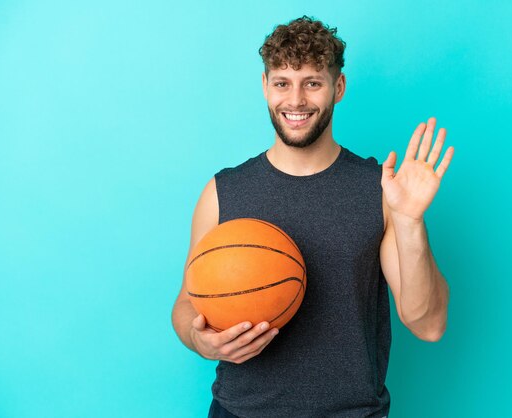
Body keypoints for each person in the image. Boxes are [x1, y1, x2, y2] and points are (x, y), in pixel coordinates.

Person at [171, 15, 454, 418]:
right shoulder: (222, 192)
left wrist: (409, 221)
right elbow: (185, 306)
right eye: (282, 83)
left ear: (338, 87)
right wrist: (201, 342)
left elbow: (429, 324)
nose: (296, 100)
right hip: (240, 412)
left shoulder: (380, 191)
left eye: (313, 83)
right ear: (265, 87)